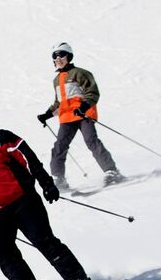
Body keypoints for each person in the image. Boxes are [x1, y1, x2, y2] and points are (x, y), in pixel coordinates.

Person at [0, 104, 98, 280]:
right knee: (2, 251)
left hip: (23, 201)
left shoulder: (2, 138)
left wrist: (46, 183)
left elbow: (30, 160)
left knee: (44, 241)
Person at [36, 43, 123, 190]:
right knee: (59, 146)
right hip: (67, 118)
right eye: (55, 56)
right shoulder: (56, 80)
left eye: (61, 55)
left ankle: (111, 171)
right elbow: (59, 102)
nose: (58, 58)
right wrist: (47, 114)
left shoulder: (80, 73)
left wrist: (84, 107)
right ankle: (59, 179)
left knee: (91, 141)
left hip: (83, 115)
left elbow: (92, 92)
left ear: (69, 57)